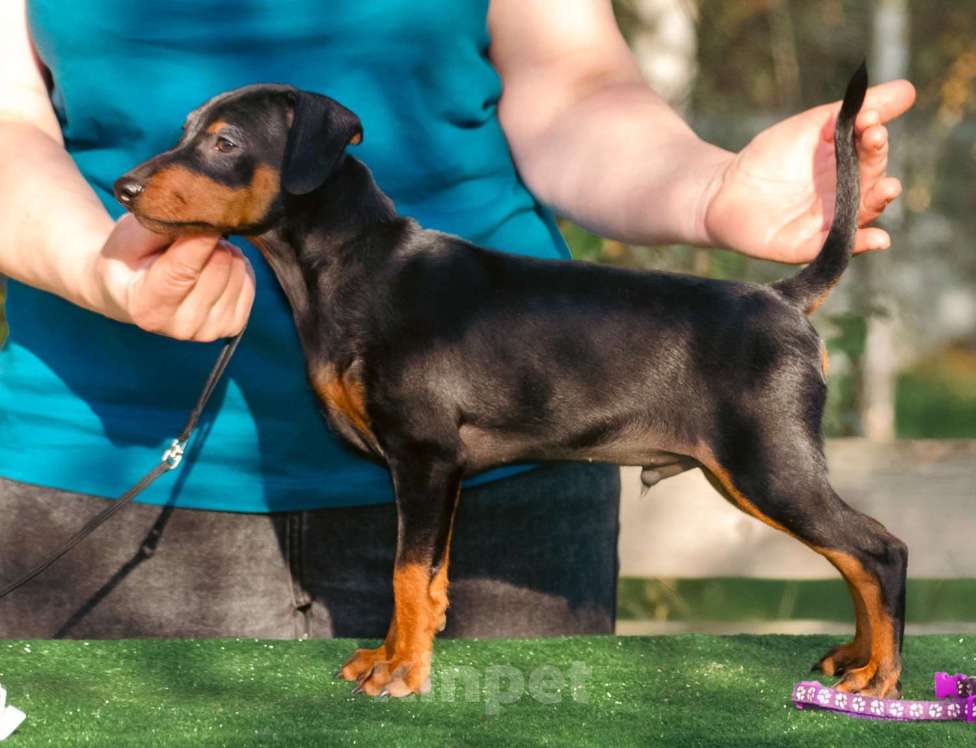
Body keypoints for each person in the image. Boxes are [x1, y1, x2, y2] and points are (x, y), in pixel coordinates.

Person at [0, 0, 914, 639]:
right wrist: (96, 266)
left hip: (517, 461)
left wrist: (711, 190)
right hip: (99, 471)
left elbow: (572, 82)